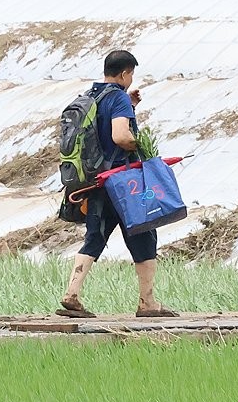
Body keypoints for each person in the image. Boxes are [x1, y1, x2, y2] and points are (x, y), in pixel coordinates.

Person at [57, 50, 177, 319]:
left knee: (95, 237)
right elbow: (120, 136)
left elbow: (101, 134)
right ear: (125, 73)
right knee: (145, 233)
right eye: (131, 74)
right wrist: (141, 146)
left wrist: (130, 107)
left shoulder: (91, 96)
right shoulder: (119, 98)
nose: (131, 79)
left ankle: (71, 295)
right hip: (123, 183)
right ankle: (147, 302)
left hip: (98, 182)